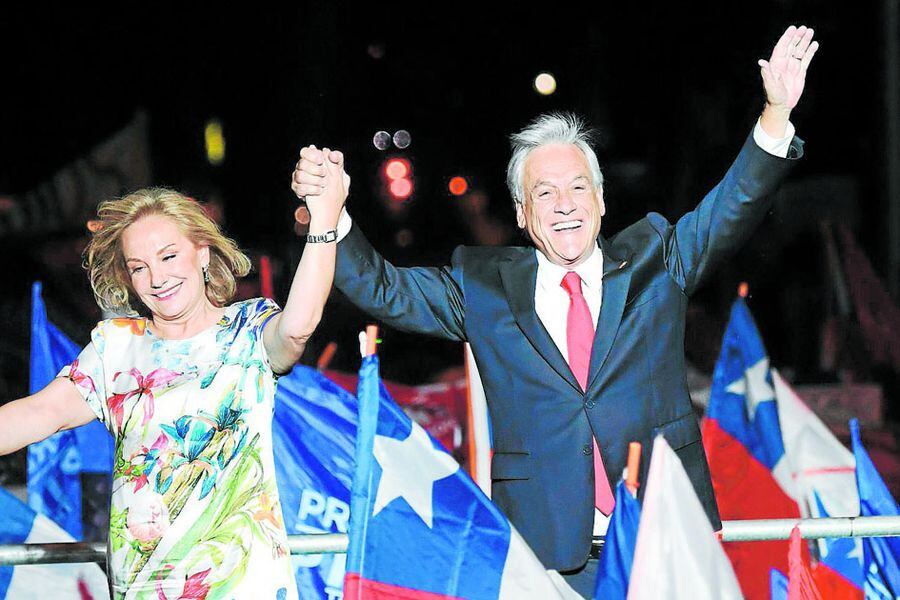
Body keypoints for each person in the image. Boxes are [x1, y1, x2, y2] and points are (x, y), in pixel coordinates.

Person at [294, 26, 818, 597]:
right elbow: (383, 289)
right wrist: (332, 219)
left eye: (577, 188)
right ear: (521, 213)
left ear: (600, 200)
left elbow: (732, 205)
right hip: (547, 558)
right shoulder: (484, 287)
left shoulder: (657, 259)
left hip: (663, 538)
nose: (564, 205)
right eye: (544, 193)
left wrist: (774, 114)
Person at [0, 156, 347, 598]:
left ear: (202, 253)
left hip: (243, 586)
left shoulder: (248, 331)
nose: (157, 278)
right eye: (139, 266)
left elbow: (297, 327)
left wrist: (324, 217)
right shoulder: (116, 347)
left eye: (168, 256)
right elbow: (40, 412)